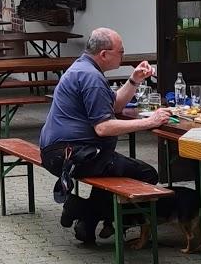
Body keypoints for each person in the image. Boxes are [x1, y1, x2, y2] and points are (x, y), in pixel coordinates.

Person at [39, 27, 171, 246]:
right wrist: (151, 122)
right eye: (121, 51)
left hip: (62, 151)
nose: (123, 55)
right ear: (104, 54)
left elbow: (115, 104)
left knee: (112, 167)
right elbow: (103, 127)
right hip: (72, 155)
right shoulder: (91, 77)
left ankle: (86, 224)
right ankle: (83, 210)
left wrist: (134, 80)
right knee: (147, 174)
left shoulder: (83, 68)